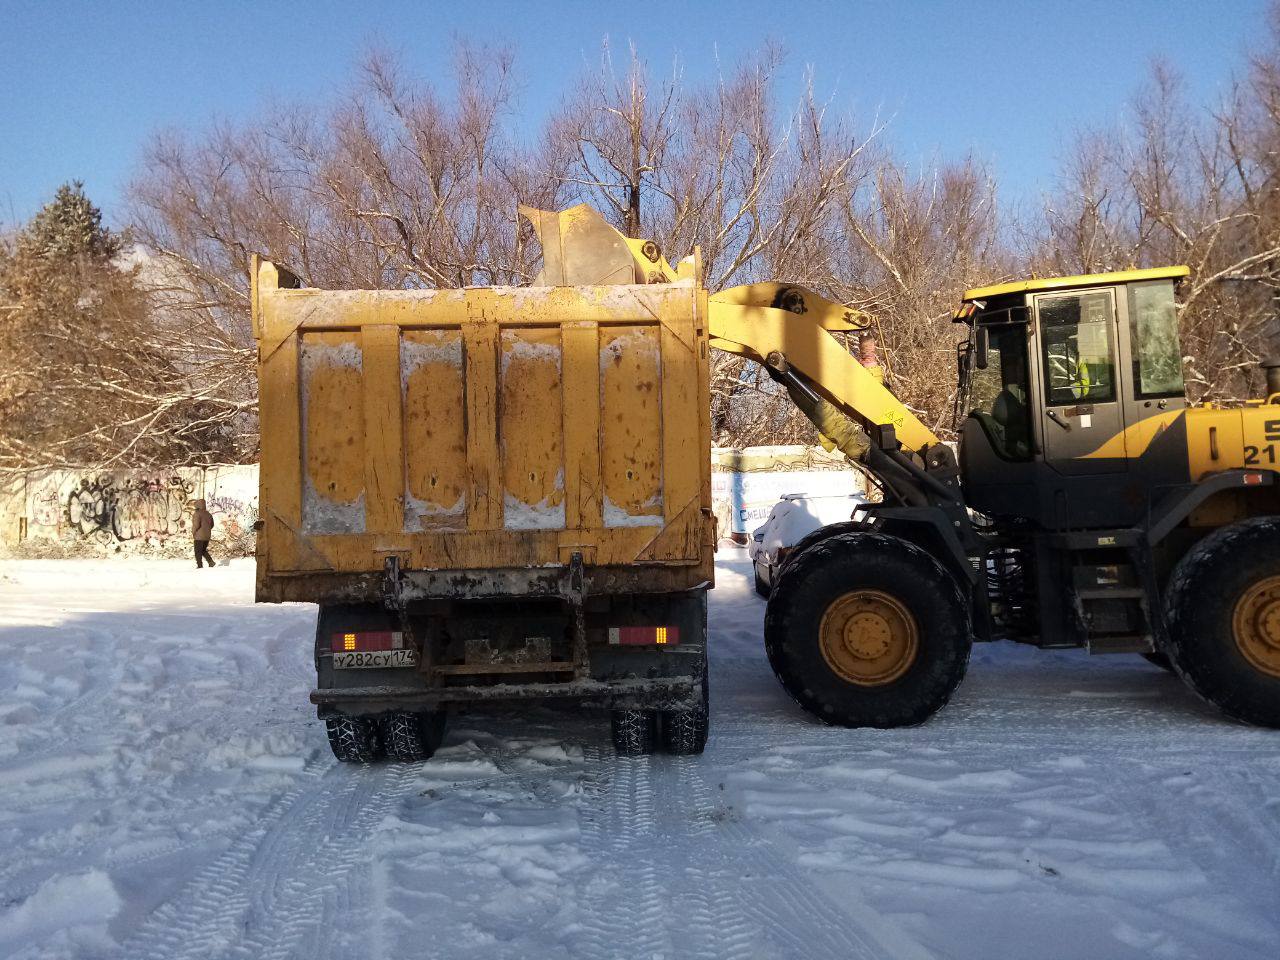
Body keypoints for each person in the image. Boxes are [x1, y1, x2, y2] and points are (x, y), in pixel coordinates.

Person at [192, 499, 217, 568]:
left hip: (199, 536)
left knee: (198, 552)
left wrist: (193, 532)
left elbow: (196, 525)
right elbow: (212, 525)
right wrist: (207, 530)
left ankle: (200, 566)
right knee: (203, 550)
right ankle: (211, 562)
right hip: (207, 536)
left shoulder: (197, 514)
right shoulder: (208, 514)